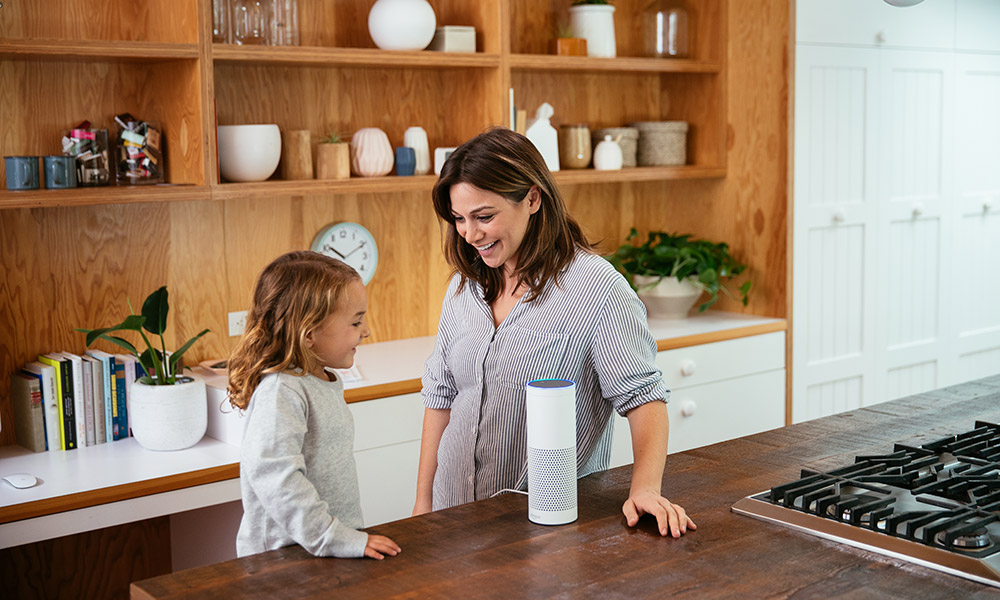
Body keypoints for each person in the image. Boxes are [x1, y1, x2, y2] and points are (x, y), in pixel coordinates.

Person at [413, 128, 696, 538]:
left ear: (532, 198)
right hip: (452, 517)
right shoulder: (464, 288)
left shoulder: (597, 288)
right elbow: (440, 395)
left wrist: (645, 489)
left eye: (484, 216)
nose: (470, 234)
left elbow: (644, 398)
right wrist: (423, 506)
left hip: (544, 527)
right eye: (459, 219)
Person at [228, 251, 401, 559]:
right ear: (309, 334)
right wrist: (331, 536)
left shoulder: (319, 380)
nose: (366, 330)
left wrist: (345, 537)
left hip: (323, 549)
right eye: (356, 321)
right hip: (283, 562)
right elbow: (276, 477)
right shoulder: (282, 391)